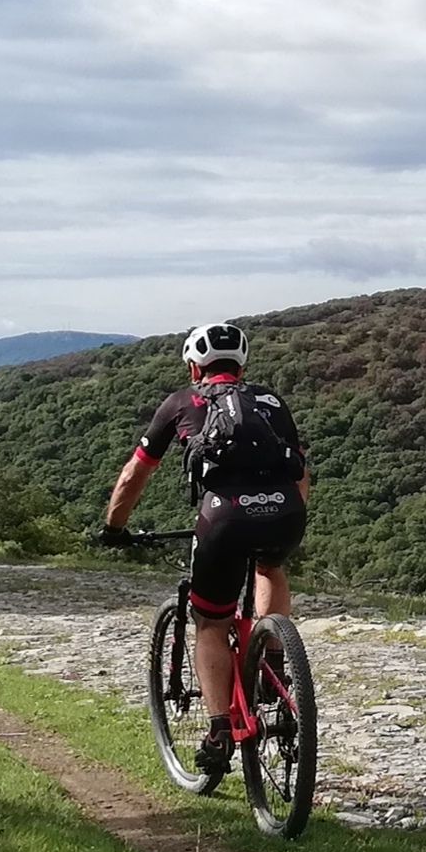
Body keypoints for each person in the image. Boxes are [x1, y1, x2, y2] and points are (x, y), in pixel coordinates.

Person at [100, 319, 311, 782]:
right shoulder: (272, 401)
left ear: (196, 369)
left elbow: (136, 474)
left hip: (223, 517)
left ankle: (219, 732)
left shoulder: (181, 402)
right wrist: (282, 515)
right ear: (241, 365)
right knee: (270, 565)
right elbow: (300, 472)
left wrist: (113, 527)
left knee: (211, 621)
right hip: (286, 511)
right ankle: (272, 659)